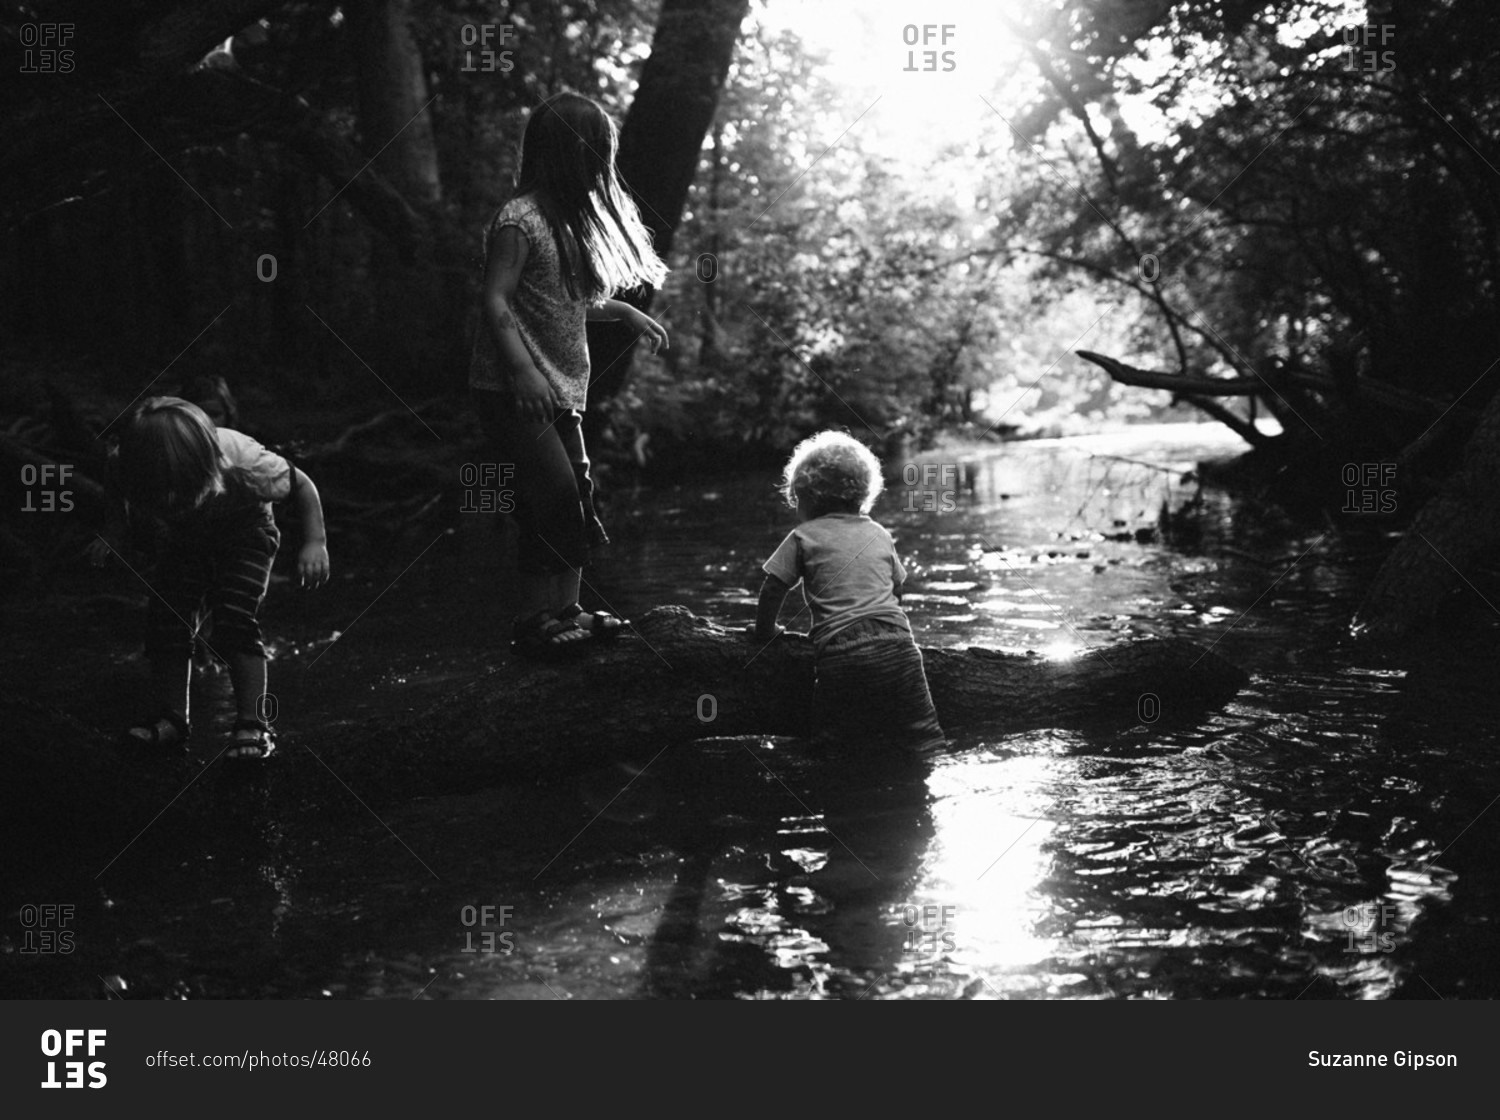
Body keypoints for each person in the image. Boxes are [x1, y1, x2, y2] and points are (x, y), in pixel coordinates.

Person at [470, 91, 668, 660]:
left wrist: (625, 310)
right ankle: (534, 619)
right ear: (569, 153)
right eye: (597, 154)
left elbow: (568, 298)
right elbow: (495, 299)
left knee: (577, 491)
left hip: (561, 389)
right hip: (512, 390)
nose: (603, 168)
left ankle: (567, 609)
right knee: (550, 495)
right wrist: (524, 373)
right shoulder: (520, 219)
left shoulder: (567, 222)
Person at [88, 397, 330, 759]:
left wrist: (315, 542)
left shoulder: (245, 463)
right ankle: (172, 719)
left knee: (234, 618)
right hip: (184, 537)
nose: (171, 500)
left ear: (207, 468)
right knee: (167, 618)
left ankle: (254, 724)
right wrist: (114, 532)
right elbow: (114, 481)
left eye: (180, 492)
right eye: (161, 495)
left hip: (245, 532)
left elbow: (303, 486)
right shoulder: (127, 461)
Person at [753, 431, 944, 749]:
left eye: (797, 500)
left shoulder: (803, 536)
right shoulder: (878, 533)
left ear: (809, 497)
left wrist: (765, 632)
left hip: (842, 655)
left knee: (833, 743)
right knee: (923, 736)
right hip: (900, 647)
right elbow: (897, 590)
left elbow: (773, 588)